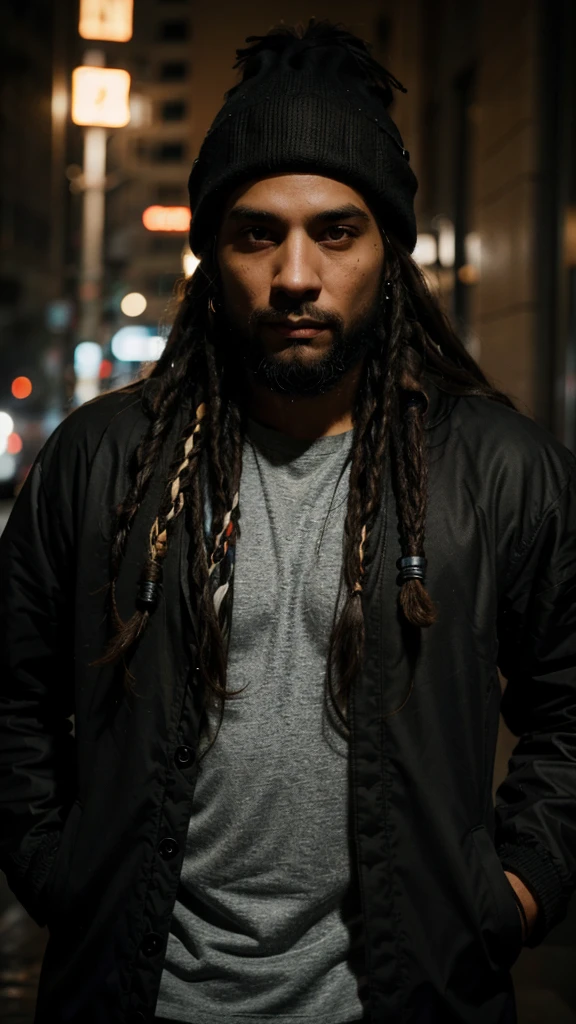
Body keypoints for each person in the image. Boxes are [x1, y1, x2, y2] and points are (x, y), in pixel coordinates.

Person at [1, 17, 575, 1024]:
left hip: (405, 1001)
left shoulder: (498, 469)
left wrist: (514, 893)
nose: (296, 274)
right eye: (257, 232)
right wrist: (63, 871)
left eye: (336, 231)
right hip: (135, 996)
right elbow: (11, 700)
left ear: (387, 251)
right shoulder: (102, 463)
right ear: (212, 257)